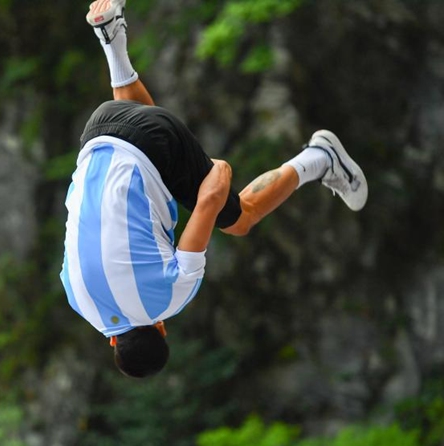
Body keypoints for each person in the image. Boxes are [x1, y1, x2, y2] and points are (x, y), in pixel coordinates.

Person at [60, 0, 368, 378]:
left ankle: (320, 158)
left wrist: (218, 172)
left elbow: (210, 198)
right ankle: (111, 39)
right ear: (113, 341)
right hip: (99, 126)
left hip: (154, 143)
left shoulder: (167, 301)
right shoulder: (77, 299)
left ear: (161, 329)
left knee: (239, 220)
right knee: (144, 142)